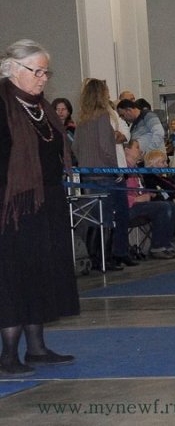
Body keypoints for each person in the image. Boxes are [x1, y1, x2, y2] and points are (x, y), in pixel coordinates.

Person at [0, 39, 78, 377]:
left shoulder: (41, 108)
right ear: (14, 70)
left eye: (47, 72)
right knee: (13, 279)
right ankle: (8, 356)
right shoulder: (2, 106)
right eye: (38, 71)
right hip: (11, 208)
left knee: (40, 275)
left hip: (47, 202)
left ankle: (37, 347)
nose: (44, 78)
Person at [72, 78, 137, 272]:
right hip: (105, 174)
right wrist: (115, 169)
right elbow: (106, 148)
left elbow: (75, 147)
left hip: (88, 174)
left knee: (95, 216)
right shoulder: (102, 117)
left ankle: (96, 257)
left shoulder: (82, 119)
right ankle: (104, 259)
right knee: (107, 217)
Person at [124, 139, 175, 259]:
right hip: (127, 207)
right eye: (137, 147)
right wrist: (136, 200)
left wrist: (147, 194)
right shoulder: (121, 168)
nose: (140, 151)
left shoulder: (135, 169)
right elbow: (117, 193)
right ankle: (157, 247)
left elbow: (140, 188)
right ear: (127, 150)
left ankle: (165, 245)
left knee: (171, 205)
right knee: (164, 207)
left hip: (140, 204)